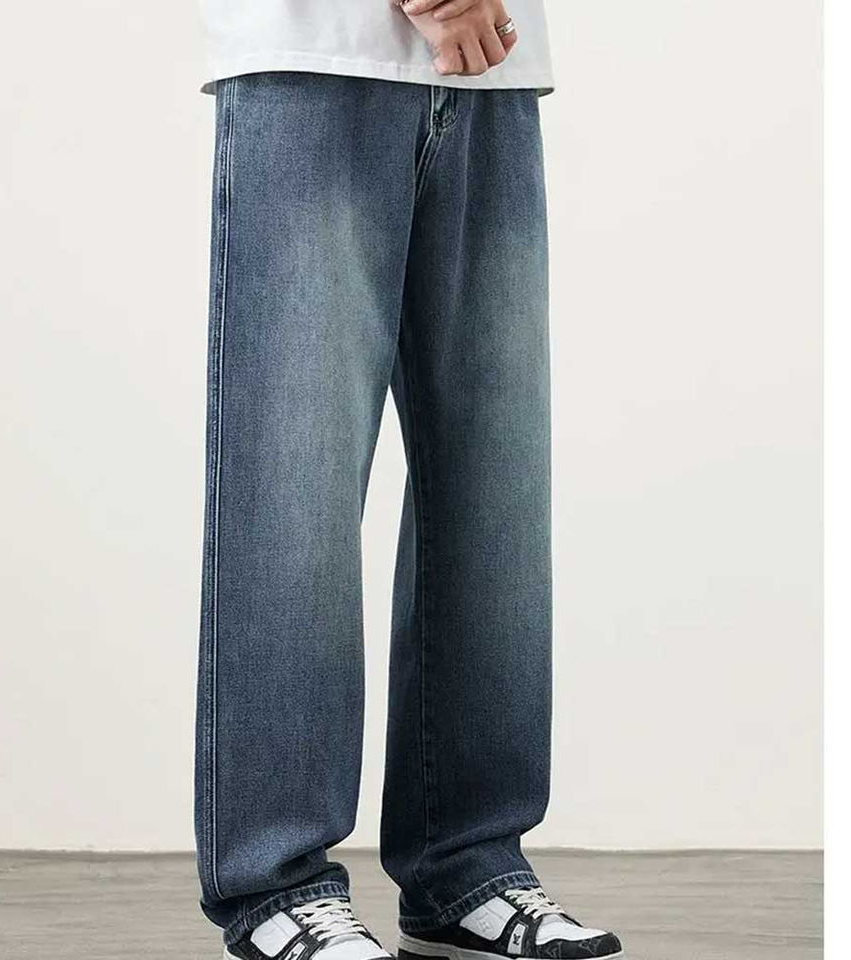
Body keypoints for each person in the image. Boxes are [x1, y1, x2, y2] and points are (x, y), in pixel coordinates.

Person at [193, 2, 624, 959]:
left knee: (494, 493)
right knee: (292, 494)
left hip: (493, 70)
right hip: (312, 56)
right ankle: (275, 879)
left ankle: (467, 862)